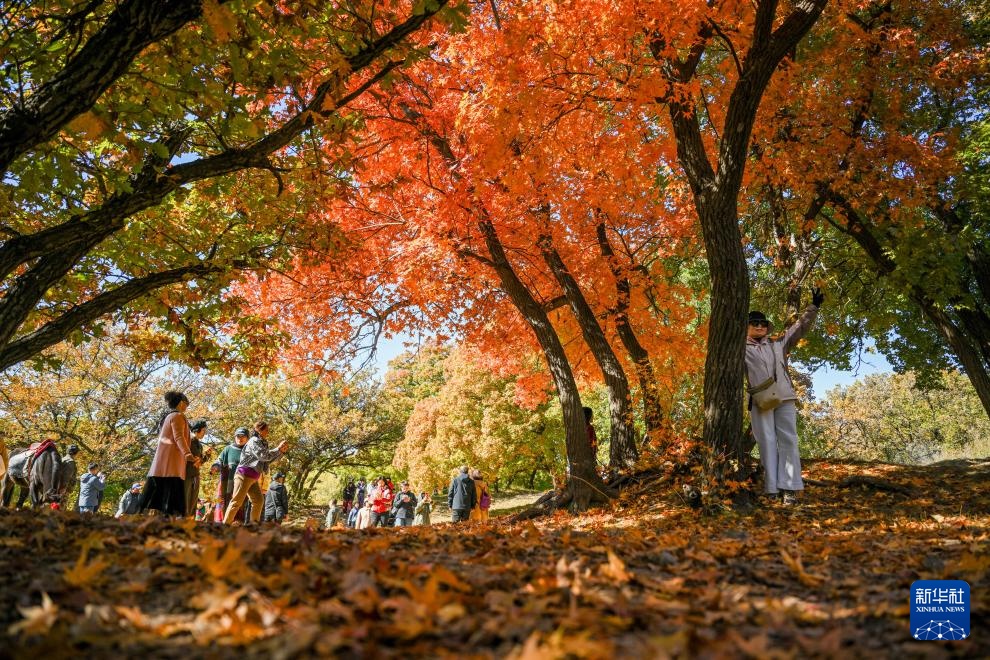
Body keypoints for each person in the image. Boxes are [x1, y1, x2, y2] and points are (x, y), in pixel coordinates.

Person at [745, 288, 823, 506]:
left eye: (762, 323)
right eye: (754, 323)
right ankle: (771, 489)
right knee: (767, 441)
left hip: (785, 397)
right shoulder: (739, 348)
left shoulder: (778, 343)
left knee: (788, 440)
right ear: (746, 326)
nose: (759, 326)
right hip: (760, 400)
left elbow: (799, 328)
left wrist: (813, 307)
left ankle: (789, 488)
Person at [140, 391, 197, 516]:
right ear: (181, 403)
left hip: (165, 461)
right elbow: (179, 437)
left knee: (159, 489)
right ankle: (172, 516)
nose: (187, 407)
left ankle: (147, 514)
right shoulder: (177, 416)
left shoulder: (168, 417)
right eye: (186, 404)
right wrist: (187, 453)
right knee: (173, 489)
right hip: (172, 461)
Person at [222, 421, 287, 525]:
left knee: (258, 501)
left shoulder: (263, 443)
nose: (268, 432)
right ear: (259, 430)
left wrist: (281, 452)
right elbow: (263, 456)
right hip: (243, 475)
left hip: (253, 478)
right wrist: (277, 449)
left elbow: (266, 460)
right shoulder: (254, 441)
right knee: (236, 502)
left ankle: (253, 526)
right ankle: (225, 526)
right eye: (266, 430)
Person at [213, 427, 249, 523]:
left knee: (241, 506)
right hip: (227, 484)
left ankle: (239, 527)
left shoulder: (250, 451)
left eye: (243, 436)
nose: (240, 438)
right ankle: (222, 525)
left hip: (243, 484)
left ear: (247, 438)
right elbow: (219, 460)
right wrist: (215, 466)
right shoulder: (228, 449)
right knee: (224, 504)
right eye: (238, 436)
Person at [185, 419, 209, 518]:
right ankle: (181, 522)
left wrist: (206, 456)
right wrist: (197, 460)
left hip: (195, 475)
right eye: (203, 430)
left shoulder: (199, 444)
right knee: (185, 500)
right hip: (186, 475)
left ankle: (190, 522)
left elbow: (199, 462)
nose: (204, 433)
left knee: (193, 502)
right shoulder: (188, 440)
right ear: (196, 430)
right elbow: (191, 458)